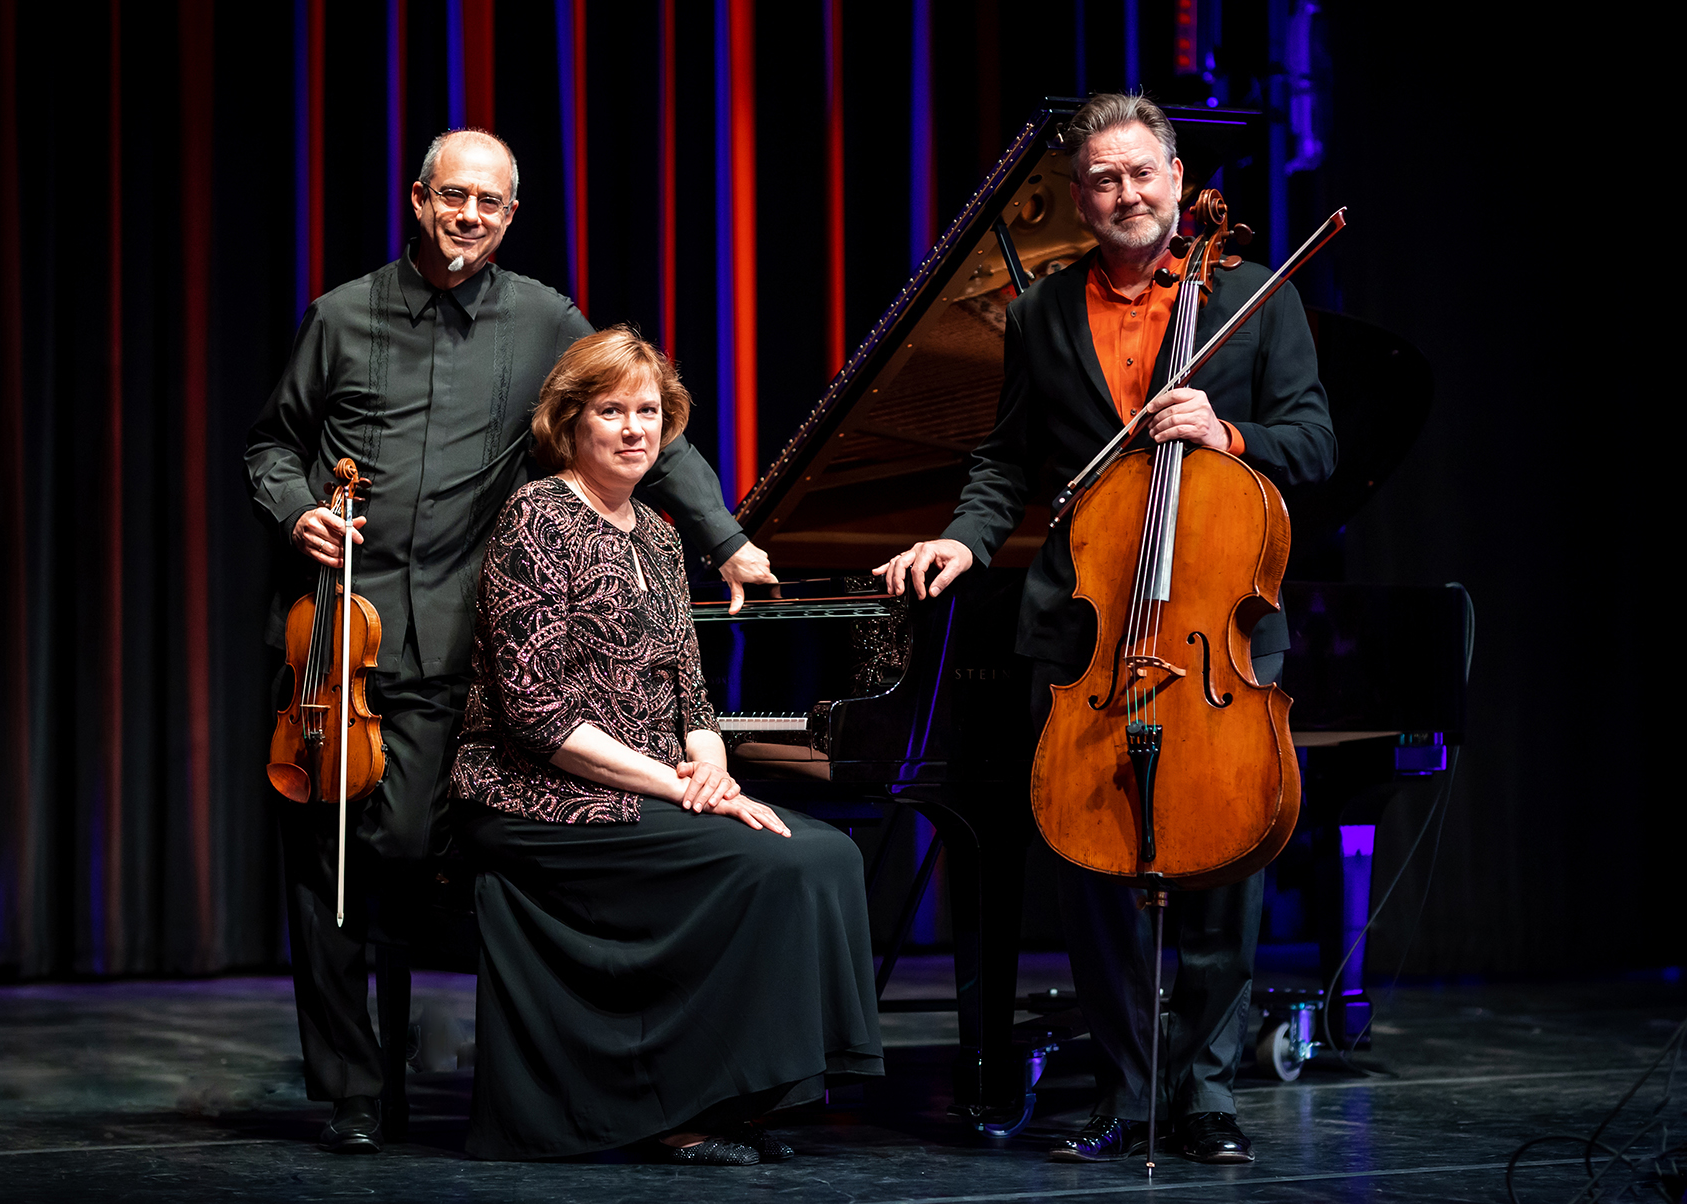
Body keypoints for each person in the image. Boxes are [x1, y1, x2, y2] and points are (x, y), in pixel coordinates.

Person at [244, 129, 777, 1154]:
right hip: (340, 647)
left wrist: (730, 539)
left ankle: (548, 1068)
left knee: (413, 855)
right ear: (418, 199)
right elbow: (272, 440)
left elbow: (649, 425)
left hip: (467, 653)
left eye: (489, 204)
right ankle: (357, 1088)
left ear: (510, 215)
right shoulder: (341, 318)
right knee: (330, 863)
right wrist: (297, 507)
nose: (469, 217)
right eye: (453, 197)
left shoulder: (545, 320)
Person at [874, 93, 1336, 1166]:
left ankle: (1204, 1095)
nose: (1126, 194)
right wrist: (964, 539)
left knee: (1225, 876)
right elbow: (1004, 461)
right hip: (1086, 639)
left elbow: (1313, 443)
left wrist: (1226, 430)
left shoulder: (1256, 298)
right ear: (1078, 197)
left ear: (1176, 181)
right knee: (1096, 875)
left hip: (1219, 628)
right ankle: (1127, 1093)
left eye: (1143, 174)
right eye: (1103, 180)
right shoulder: (1039, 312)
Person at [448, 327, 883, 1163]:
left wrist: (710, 762)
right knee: (772, 863)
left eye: (648, 411)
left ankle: (742, 1094)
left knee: (825, 854)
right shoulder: (537, 519)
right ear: (570, 423)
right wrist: (680, 787)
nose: (634, 429)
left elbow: (690, 686)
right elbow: (537, 716)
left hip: (645, 782)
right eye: (611, 411)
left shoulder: (656, 531)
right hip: (531, 793)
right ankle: (680, 1113)